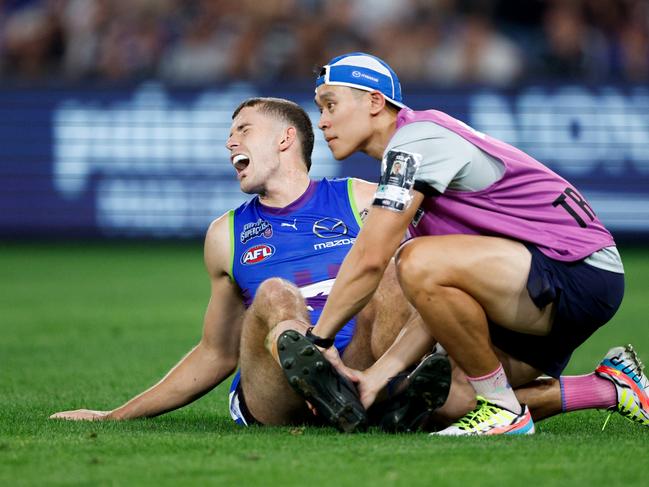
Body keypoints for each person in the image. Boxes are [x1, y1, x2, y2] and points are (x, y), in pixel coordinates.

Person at [289, 52, 649, 435]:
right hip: (547, 277)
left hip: (575, 268)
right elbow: (437, 301)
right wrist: (378, 376)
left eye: (331, 104)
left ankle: (502, 410)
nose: (323, 121)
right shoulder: (414, 152)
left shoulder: (414, 142)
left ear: (375, 102)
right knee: (452, 401)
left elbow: (371, 258)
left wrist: (320, 338)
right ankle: (610, 388)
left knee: (414, 260)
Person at [50, 96, 441, 430]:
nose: (229, 142)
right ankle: (372, 398)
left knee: (402, 265)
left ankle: (375, 392)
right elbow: (216, 352)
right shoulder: (226, 234)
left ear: (285, 138)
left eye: (243, 130)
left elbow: (435, 281)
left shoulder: (362, 199)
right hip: (275, 390)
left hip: (361, 366)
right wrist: (115, 416)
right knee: (274, 293)